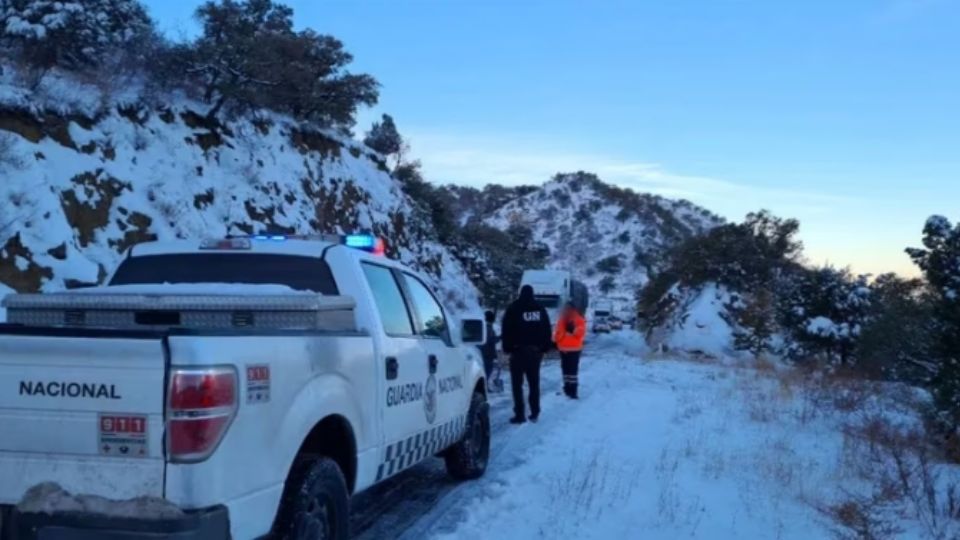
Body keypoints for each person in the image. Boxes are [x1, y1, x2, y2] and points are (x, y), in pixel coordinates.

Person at [501, 285, 552, 424]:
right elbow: (547, 329)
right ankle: (535, 412)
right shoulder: (540, 309)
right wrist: (545, 348)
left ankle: (520, 414)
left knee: (517, 385)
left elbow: (506, 329)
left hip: (517, 352)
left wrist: (507, 348)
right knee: (534, 383)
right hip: (535, 353)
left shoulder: (513, 308)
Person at [554, 302, 586, 399]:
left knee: (572, 371)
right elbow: (557, 332)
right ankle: (567, 387)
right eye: (566, 308)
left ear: (573, 309)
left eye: (569, 308)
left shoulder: (578, 319)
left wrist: (573, 330)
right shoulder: (561, 319)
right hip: (563, 349)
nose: (567, 310)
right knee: (566, 369)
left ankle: (573, 390)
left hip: (574, 349)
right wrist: (556, 341)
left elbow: (581, 332)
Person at [478, 310, 499, 384]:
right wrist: (500, 337)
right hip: (488, 355)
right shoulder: (488, 329)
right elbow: (490, 340)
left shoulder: (484, 327)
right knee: (487, 371)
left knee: (487, 371)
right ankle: (485, 385)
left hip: (484, 354)